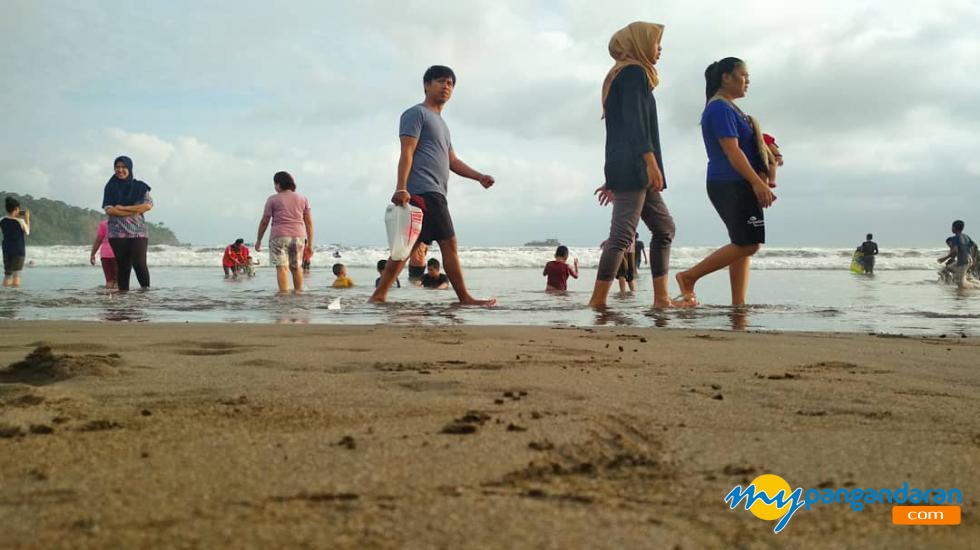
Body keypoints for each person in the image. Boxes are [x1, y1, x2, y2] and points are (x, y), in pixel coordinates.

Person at [369, 65, 496, 306]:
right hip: (425, 192)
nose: (446, 86)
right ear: (427, 85)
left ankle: (378, 295)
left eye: (450, 83)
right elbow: (407, 151)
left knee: (405, 248)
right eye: (440, 81)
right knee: (449, 244)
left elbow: (453, 161)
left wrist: (479, 177)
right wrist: (401, 187)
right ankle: (465, 298)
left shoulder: (443, 125)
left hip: (434, 192)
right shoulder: (415, 114)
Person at [674, 57, 777, 307]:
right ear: (726, 77)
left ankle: (738, 304)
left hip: (735, 181)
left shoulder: (731, 109)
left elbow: (752, 145)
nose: (747, 81)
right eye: (743, 75)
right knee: (749, 244)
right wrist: (756, 182)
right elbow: (732, 151)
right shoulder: (719, 108)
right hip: (730, 181)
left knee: (741, 244)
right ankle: (688, 278)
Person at [589, 22, 675, 310]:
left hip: (627, 165)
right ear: (638, 43)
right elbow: (636, 124)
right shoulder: (634, 74)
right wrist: (650, 162)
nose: (659, 49)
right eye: (655, 43)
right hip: (636, 166)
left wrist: (614, 174)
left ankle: (661, 298)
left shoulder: (624, 76)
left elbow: (620, 128)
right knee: (623, 235)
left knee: (664, 229)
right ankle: (598, 301)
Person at [255, 171, 314, 294]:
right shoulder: (303, 198)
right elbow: (309, 223)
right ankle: (298, 293)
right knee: (297, 266)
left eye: (275, 184)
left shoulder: (273, 199)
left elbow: (264, 221)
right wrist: (310, 244)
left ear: (278, 184)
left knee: (282, 268)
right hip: (298, 236)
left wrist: (259, 240)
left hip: (279, 236)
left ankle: (284, 295)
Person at [102, 156, 154, 292]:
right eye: (117, 167)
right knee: (123, 266)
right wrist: (133, 210)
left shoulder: (140, 187)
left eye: (123, 167)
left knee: (139, 264)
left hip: (138, 231)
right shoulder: (110, 187)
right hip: (117, 233)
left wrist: (123, 208)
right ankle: (124, 299)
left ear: (129, 169)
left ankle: (145, 295)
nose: (120, 170)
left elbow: (147, 206)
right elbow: (110, 210)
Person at [1, 197, 30, 288]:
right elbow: (27, 232)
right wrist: (27, 218)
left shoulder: (1, 220)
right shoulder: (20, 221)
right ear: (16, 209)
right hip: (18, 250)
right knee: (16, 274)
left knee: (7, 274)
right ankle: (15, 299)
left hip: (6, 249)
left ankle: (5, 294)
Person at [937, 220, 975, 289]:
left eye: (952, 227)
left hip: (963, 261)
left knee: (960, 283)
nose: (951, 228)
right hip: (969, 260)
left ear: (954, 228)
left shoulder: (955, 238)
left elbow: (955, 251)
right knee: (948, 268)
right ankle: (965, 277)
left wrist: (944, 258)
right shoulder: (966, 236)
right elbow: (971, 246)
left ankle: (975, 287)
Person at [89, 218, 117, 289]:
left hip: (105, 255)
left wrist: (92, 254)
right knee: (118, 281)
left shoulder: (104, 224)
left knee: (109, 280)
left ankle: (108, 298)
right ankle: (117, 299)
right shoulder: (123, 224)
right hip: (118, 254)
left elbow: (98, 240)